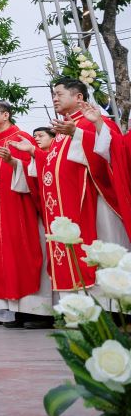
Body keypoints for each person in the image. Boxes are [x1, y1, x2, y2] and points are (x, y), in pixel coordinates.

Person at [11, 78, 128, 293]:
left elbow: (114, 153)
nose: (54, 98)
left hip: (94, 205)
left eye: (59, 94)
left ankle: (112, 302)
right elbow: (53, 167)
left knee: (103, 260)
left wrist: (79, 133)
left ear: (79, 97)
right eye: (53, 95)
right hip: (66, 206)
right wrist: (33, 152)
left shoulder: (91, 122)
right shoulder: (62, 130)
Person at [0, 100, 51, 329]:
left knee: (24, 256)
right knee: (3, 260)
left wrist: (15, 163)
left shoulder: (21, 138)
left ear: (5, 115)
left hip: (19, 211)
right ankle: (17, 311)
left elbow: (37, 170)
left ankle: (40, 313)